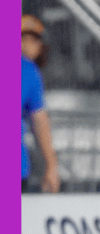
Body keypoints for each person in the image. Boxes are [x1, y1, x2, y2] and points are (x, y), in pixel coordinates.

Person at [21, 15, 61, 194]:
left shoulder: (29, 72)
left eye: (33, 40)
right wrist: (51, 165)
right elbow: (40, 120)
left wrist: (51, 165)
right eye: (23, 39)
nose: (28, 45)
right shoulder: (29, 71)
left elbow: (40, 120)